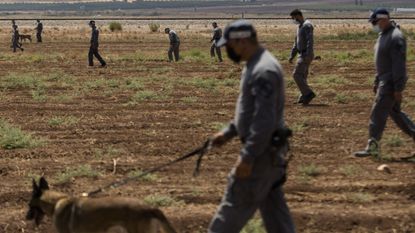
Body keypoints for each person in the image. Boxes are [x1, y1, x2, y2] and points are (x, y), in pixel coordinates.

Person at [208, 20, 296, 233]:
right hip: (269, 154)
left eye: (229, 45)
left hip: (261, 156)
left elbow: (263, 120)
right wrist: (229, 132)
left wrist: (248, 157)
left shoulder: (263, 70)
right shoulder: (254, 64)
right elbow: (250, 112)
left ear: (243, 41)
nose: (228, 50)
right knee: (277, 219)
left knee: (229, 214)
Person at [355, 8, 415, 157]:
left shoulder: (395, 37)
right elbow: (382, 62)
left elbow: (398, 65)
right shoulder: (384, 35)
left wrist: (398, 88)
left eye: (375, 22)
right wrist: (377, 80)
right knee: (396, 114)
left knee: (377, 114)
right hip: (384, 81)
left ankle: (373, 147)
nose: (374, 25)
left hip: (390, 83)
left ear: (384, 19)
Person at [288, 9, 316, 105]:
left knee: (296, 75)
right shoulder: (299, 27)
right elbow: (296, 43)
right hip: (301, 54)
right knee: (303, 76)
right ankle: (303, 96)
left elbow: (310, 41)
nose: (293, 20)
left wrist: (308, 54)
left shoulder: (307, 25)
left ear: (299, 15)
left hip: (305, 55)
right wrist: (292, 55)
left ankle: (308, 93)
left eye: (294, 17)